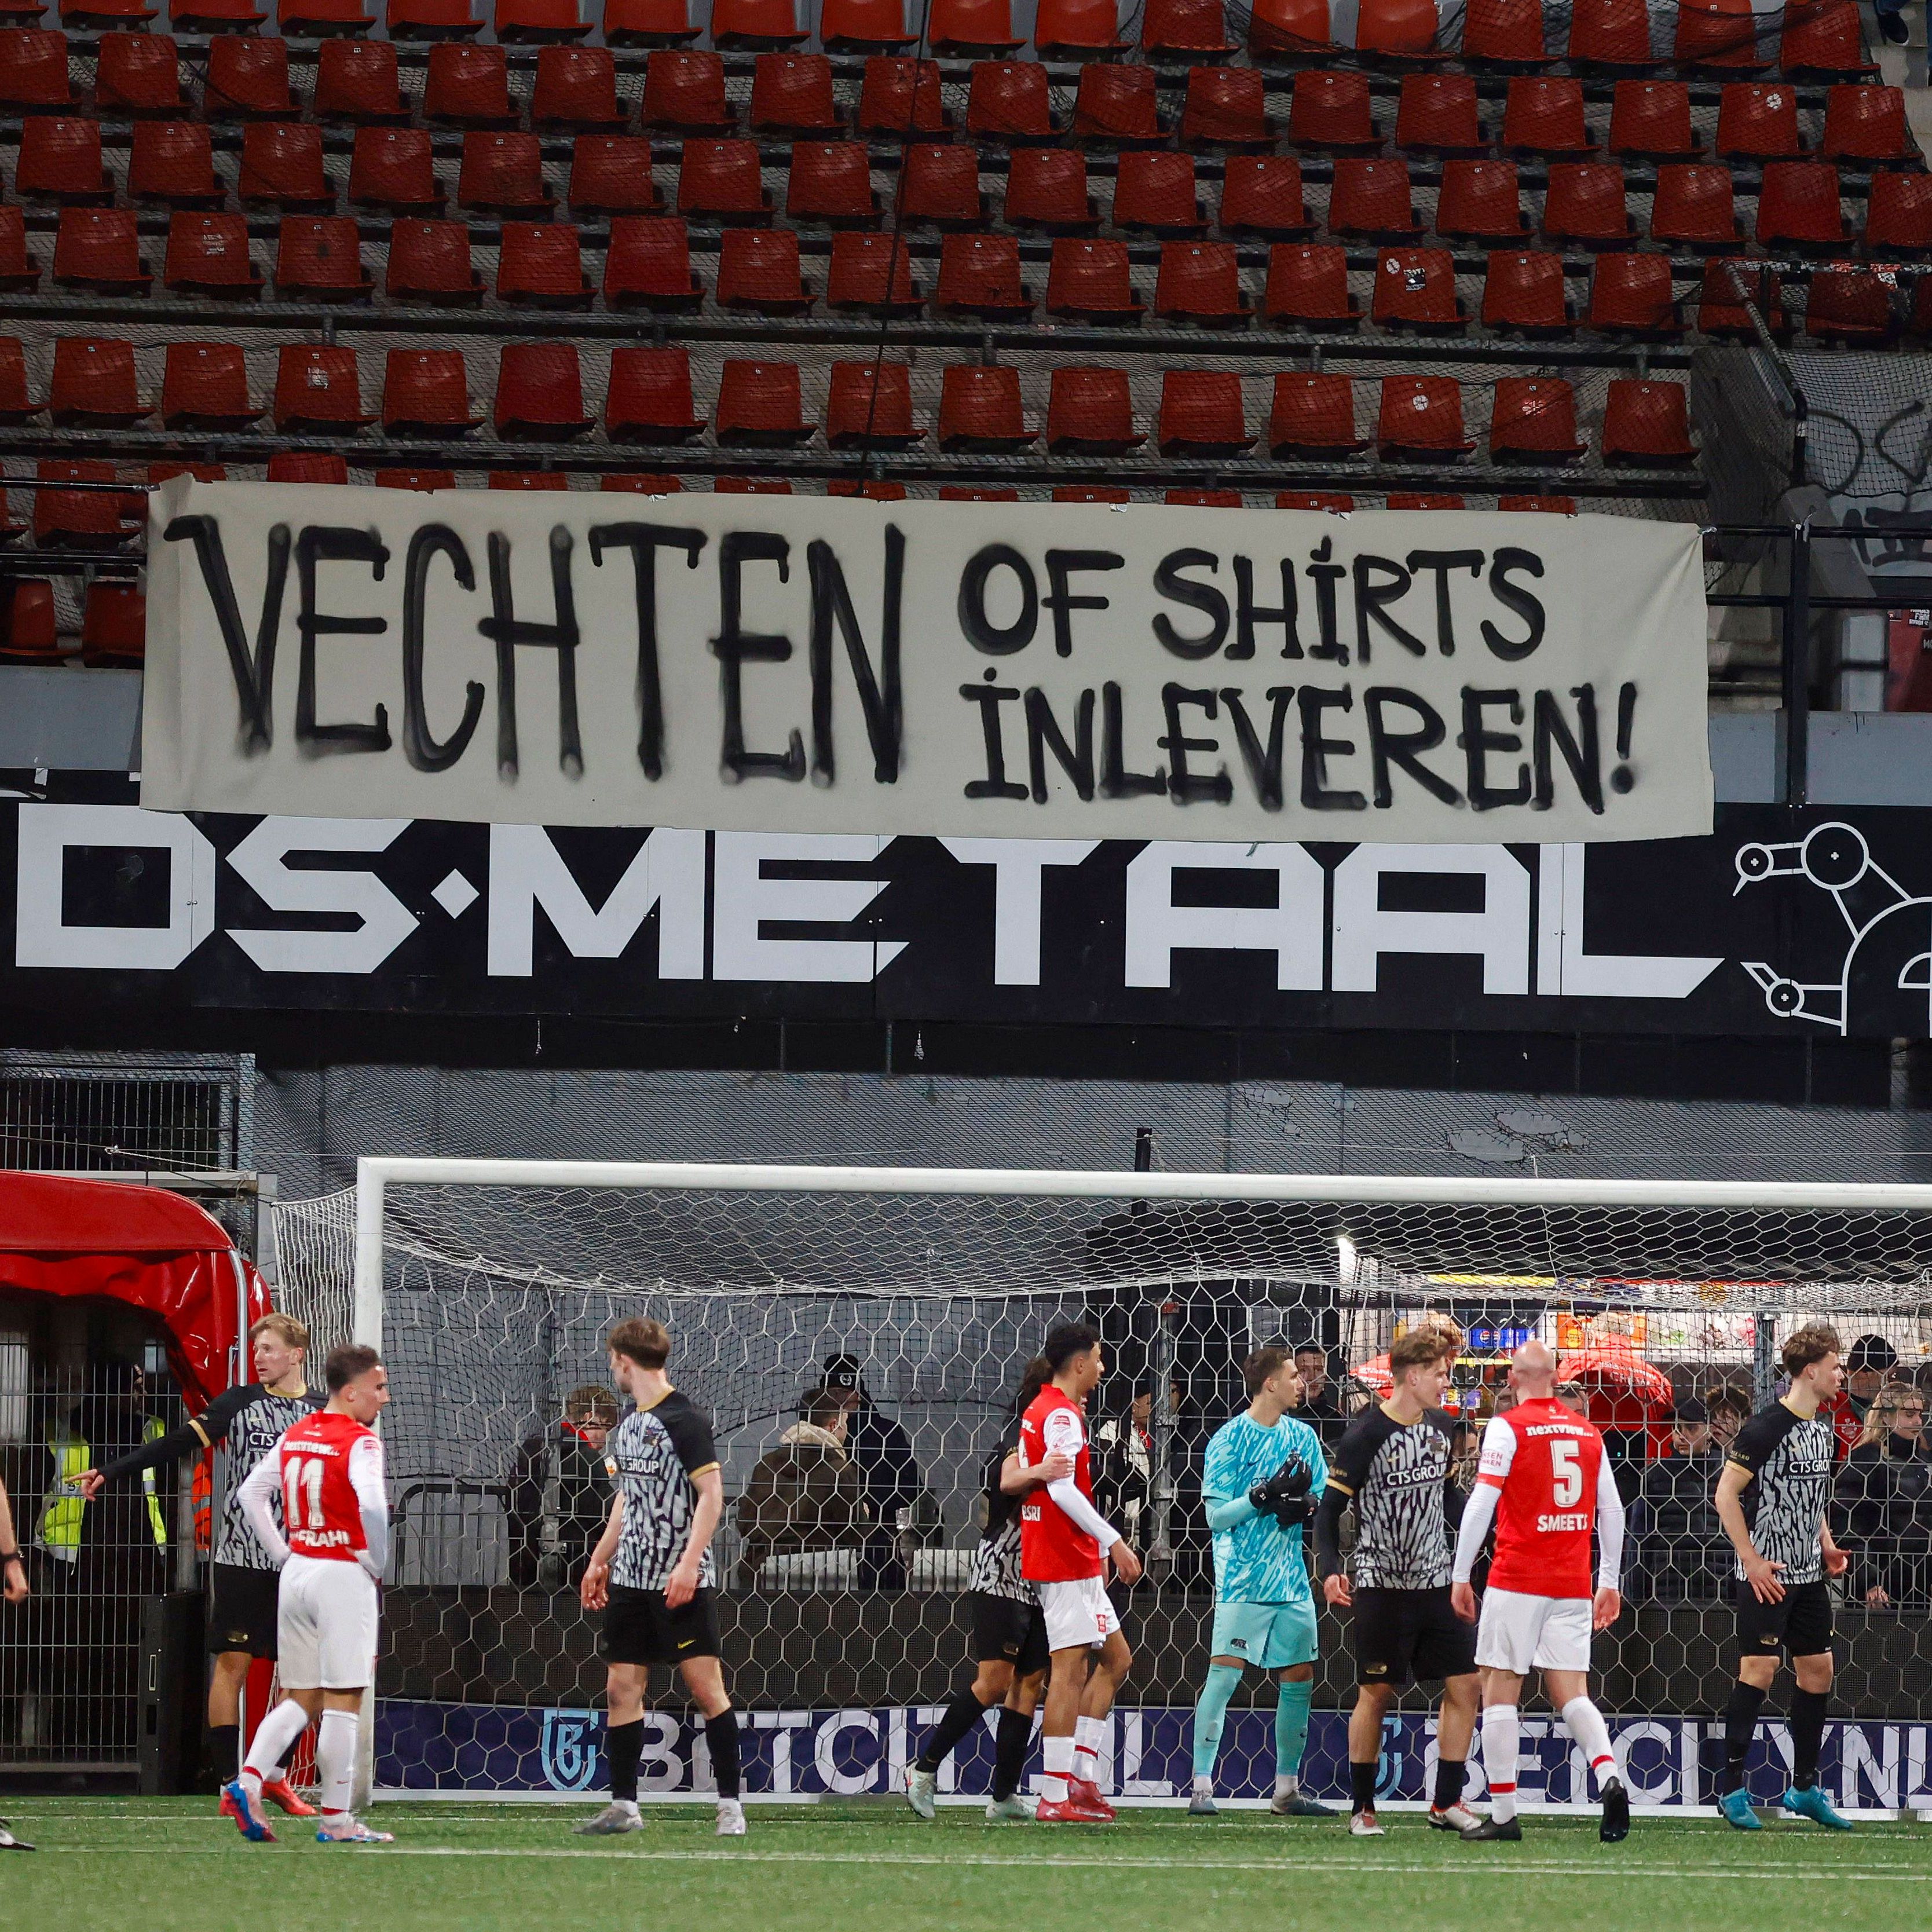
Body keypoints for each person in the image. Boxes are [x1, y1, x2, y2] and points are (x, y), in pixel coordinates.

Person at [78, 1312, 324, 1804]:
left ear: (297, 1354)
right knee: (232, 1665)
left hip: (303, 1562)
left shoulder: (322, 1410)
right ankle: (231, 1783)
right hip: (242, 1557)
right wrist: (111, 1470)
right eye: (256, 1349)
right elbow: (176, 1443)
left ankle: (273, 1774)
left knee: (306, 1676)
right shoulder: (238, 1403)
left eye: (269, 1348)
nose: (259, 1357)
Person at [1451, 1338, 1629, 1846]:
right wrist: (1609, 1581)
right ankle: (1609, 1775)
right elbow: (1612, 1511)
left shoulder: (1506, 1427)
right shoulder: (1588, 1432)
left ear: (1512, 1379)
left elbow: (1481, 1503)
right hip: (1572, 1582)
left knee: (1498, 1689)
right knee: (1572, 1692)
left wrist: (1461, 1574)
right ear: (1555, 1377)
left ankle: (1504, 1814)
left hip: (1517, 1579)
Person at [577, 1317, 742, 1839]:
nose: (612, 1370)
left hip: (679, 1580)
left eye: (612, 1361)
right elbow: (627, 1499)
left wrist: (690, 1564)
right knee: (620, 1689)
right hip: (631, 1579)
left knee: (706, 1689)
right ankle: (624, 1806)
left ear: (624, 1361)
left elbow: (712, 1496)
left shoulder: (685, 1419)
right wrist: (599, 1560)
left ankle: (731, 1807)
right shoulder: (629, 1425)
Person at [226, 1342, 394, 1847]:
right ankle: (337, 1821)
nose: (385, 1398)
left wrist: (284, 1554)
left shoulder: (297, 1432)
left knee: (301, 1696)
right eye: (379, 1387)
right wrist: (376, 1561)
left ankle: (247, 1782)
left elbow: (250, 1494)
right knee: (344, 1699)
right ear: (351, 1392)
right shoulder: (362, 1442)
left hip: (298, 1572)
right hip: (341, 1575)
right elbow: (373, 1507)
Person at [1317, 1326, 1481, 1837]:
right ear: (1412, 1377)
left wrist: (1485, 1535)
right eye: (1440, 1374)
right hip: (1381, 1585)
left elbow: (1448, 1498)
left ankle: (1446, 1802)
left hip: (1435, 1582)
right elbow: (1329, 1511)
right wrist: (1330, 1569)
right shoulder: (1365, 1435)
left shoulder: (1442, 1427)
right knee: (1376, 1691)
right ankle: (1362, 1807)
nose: (1446, 1383)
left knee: (1466, 1684)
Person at [905, 1358, 1066, 1824]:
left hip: (1039, 1580)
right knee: (994, 1681)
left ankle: (1003, 1795)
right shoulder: (1019, 1437)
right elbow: (1006, 1480)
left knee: (1030, 1683)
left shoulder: (1056, 1440)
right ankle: (923, 1769)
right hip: (1001, 1574)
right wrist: (1044, 1470)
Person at [1713, 1322, 1855, 1832]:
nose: (1841, 1375)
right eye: (1836, 1366)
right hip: (1767, 1573)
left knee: (1818, 1671)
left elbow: (1812, 1498)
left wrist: (1826, 1543)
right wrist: (1751, 1560)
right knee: (1760, 1670)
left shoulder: (1823, 1430)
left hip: (1809, 1572)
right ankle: (1732, 1790)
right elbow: (1725, 1495)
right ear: (1811, 1371)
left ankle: (1804, 1788)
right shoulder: (1765, 1428)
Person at [1188, 1346, 1330, 1820]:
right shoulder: (1228, 1440)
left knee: (1299, 1678)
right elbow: (1216, 1517)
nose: (1300, 1383)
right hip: (1242, 1578)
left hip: (1291, 1579)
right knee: (1225, 1675)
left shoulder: (1303, 1437)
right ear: (1270, 1384)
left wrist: (1306, 1505)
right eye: (1292, 1375)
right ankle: (1201, 1787)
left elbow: (1321, 1494)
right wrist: (1262, 1495)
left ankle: (1286, 1791)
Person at [1020, 1322, 1143, 1824]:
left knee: (1116, 1659)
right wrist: (1113, 1540)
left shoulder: (1048, 1408)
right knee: (1068, 1672)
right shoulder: (1060, 1414)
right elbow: (1062, 1490)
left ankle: (1081, 1778)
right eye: (1098, 1357)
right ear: (1078, 1363)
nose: (1102, 1367)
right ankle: (1054, 1793)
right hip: (1062, 1557)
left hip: (1075, 1557)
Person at [734, 1385, 863, 1588]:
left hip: (762, 1575)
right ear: (833, 1425)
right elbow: (856, 1533)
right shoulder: (839, 1471)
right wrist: (863, 1512)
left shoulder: (767, 1465)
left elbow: (745, 1522)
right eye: (846, 1422)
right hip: (818, 1578)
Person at [821, 1355, 923, 1591]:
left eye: (846, 1393)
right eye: (835, 1394)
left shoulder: (886, 1432)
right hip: (829, 1544)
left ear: (858, 1394)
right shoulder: (814, 1436)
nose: (842, 1401)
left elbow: (911, 1487)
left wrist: (869, 1504)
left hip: (874, 1543)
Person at [508, 1384, 619, 1591]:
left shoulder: (538, 1448)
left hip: (527, 1563)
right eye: (605, 1428)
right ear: (589, 1418)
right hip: (573, 1566)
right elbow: (603, 1515)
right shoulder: (586, 1457)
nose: (606, 1438)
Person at [1836, 1384, 1932, 1609]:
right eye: (1909, 1414)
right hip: (1880, 1588)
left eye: (1920, 1414)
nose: (1918, 1422)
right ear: (1886, 1417)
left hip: (1921, 1583)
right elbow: (1848, 1526)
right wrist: (1869, 1582)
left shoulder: (1923, 1462)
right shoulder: (1864, 1460)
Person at [1627, 1397, 1730, 1604]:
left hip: (1721, 1589)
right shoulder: (1655, 1476)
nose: (1681, 1435)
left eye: (1690, 1428)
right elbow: (1639, 1541)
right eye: (1676, 1428)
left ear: (1709, 1430)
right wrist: (1635, 1599)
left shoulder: (1729, 1473)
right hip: (1668, 1591)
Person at [1829, 1335, 1899, 1459]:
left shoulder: (1893, 1411)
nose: (1891, 1384)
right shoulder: (1830, 1405)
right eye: (1888, 1377)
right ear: (1865, 1373)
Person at [1294, 1345, 1348, 1446]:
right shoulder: (1282, 1415)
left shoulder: (1335, 1418)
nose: (1312, 1377)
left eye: (1318, 1370)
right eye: (1304, 1370)